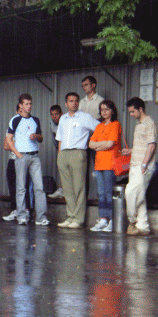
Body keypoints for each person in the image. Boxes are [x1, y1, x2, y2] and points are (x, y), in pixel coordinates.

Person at [56, 92, 99, 228]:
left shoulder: (85, 117)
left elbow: (99, 129)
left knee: (79, 187)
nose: (74, 103)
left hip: (78, 153)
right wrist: (59, 156)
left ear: (78, 103)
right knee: (67, 189)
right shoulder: (62, 118)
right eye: (71, 101)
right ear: (66, 103)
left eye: (76, 101)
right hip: (64, 153)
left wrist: (91, 142)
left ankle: (79, 219)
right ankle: (70, 216)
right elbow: (60, 138)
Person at [5, 93, 49, 226]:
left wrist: (36, 136)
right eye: (26, 104)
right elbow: (8, 139)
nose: (29, 106)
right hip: (22, 155)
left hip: (34, 155)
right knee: (21, 187)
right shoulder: (15, 119)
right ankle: (22, 216)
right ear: (20, 105)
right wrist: (18, 154)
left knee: (39, 187)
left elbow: (41, 138)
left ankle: (41, 218)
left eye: (30, 103)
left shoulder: (35, 120)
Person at [121, 97, 158, 235]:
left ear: (140, 109)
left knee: (130, 192)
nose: (131, 115)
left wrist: (144, 164)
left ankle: (131, 220)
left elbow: (152, 145)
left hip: (143, 165)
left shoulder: (149, 123)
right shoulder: (139, 124)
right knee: (140, 196)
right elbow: (142, 145)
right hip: (134, 164)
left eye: (132, 112)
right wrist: (130, 150)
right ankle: (143, 227)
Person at [88, 100, 122, 232]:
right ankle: (103, 219)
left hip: (110, 164)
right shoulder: (99, 126)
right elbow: (90, 144)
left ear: (112, 110)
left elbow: (110, 144)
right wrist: (102, 145)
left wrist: (99, 146)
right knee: (101, 193)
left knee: (109, 193)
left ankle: (113, 220)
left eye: (107, 109)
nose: (104, 112)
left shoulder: (115, 124)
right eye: (102, 109)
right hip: (99, 164)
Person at [3, 104, 34, 221]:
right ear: (17, 112)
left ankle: (26, 211)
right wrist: (16, 144)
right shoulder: (12, 125)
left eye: (23, 111)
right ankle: (15, 210)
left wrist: (14, 143)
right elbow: (6, 146)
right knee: (12, 185)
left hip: (24, 159)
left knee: (24, 185)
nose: (21, 113)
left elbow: (29, 144)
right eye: (19, 111)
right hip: (12, 159)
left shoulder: (29, 125)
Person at [48, 105, 64, 199]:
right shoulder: (51, 123)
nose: (54, 116)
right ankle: (61, 190)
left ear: (61, 114)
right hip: (58, 147)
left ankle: (64, 190)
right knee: (60, 169)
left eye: (56, 114)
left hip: (67, 149)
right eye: (52, 114)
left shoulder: (65, 121)